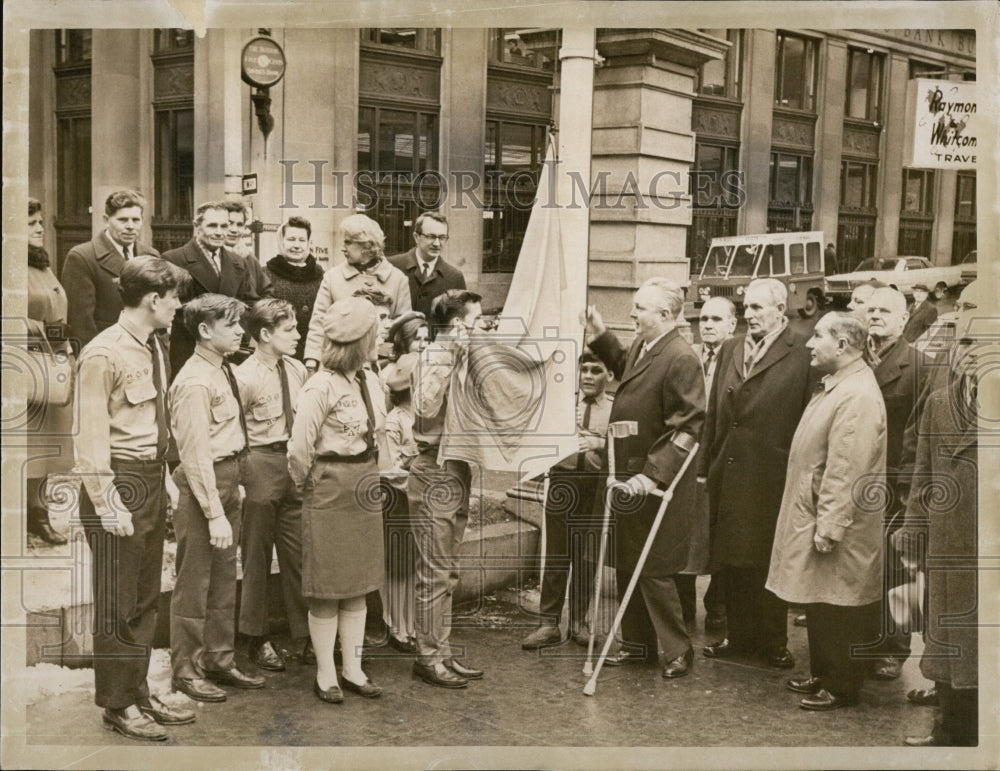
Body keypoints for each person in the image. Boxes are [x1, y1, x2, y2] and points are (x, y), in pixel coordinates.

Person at [74, 256, 195, 740]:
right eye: (174, 298)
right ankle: (118, 704)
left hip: (147, 477)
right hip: (118, 482)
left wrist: (165, 478)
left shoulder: (153, 346)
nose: (178, 306)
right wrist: (106, 502)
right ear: (153, 300)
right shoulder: (103, 354)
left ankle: (138, 690)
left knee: (145, 598)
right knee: (118, 602)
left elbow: (152, 422)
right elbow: (89, 438)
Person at [583, 277, 705, 680]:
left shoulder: (681, 358)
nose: (632, 313)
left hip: (654, 482)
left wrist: (652, 478)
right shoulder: (646, 344)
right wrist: (600, 335)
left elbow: (688, 427)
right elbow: (626, 369)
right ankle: (637, 645)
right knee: (628, 560)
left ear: (665, 314)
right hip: (628, 474)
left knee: (654, 568)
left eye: (640, 307)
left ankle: (678, 650)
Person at [767, 313, 886, 711]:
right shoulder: (841, 385)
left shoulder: (856, 395)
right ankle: (824, 673)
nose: (809, 343)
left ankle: (841, 684)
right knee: (822, 595)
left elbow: (846, 467)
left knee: (839, 601)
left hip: (837, 519)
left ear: (843, 345)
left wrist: (831, 525)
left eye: (818, 336)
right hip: (817, 510)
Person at [700, 278, 815, 670]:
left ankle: (773, 641)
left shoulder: (802, 351)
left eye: (757, 308)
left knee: (768, 559)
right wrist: (705, 467)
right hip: (729, 469)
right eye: (745, 308)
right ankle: (738, 636)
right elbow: (714, 412)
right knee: (731, 558)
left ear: (780, 310)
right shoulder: (731, 348)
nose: (749, 315)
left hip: (773, 474)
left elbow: (808, 418)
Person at [894, 281, 984, 747]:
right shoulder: (940, 401)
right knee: (946, 640)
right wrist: (912, 533)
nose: (966, 349)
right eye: (962, 339)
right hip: (947, 546)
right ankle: (948, 731)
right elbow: (923, 476)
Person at [288, 297, 387, 703]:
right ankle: (326, 673)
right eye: (375, 334)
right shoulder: (321, 386)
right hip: (329, 484)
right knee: (327, 587)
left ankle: (353, 668)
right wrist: (310, 486)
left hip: (364, 483)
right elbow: (299, 449)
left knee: (358, 584)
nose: (379, 339)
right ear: (361, 341)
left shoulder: (369, 379)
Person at [167, 294, 265, 702]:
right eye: (231, 325)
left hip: (226, 479)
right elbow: (194, 455)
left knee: (224, 579)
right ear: (205, 331)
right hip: (201, 487)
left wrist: (235, 484)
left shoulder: (222, 369)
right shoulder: (195, 381)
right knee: (195, 582)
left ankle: (219, 659)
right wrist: (213, 512)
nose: (241, 331)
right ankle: (186, 670)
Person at [408, 289, 486, 688]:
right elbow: (423, 409)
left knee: (449, 570)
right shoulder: (433, 358)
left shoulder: (458, 357)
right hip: (434, 468)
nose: (482, 328)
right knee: (434, 571)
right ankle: (427, 656)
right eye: (476, 321)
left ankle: (442, 650)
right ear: (457, 325)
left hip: (456, 466)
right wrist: (449, 357)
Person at [233, 299, 311, 672]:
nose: (298, 335)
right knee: (256, 556)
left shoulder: (297, 369)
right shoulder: (244, 377)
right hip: (260, 462)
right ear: (265, 334)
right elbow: (234, 431)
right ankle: (255, 636)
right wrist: (243, 477)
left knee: (300, 554)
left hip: (293, 463)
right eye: (289, 329)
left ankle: (305, 635)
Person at [521, 352, 612, 650]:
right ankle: (548, 624)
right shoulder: (563, 404)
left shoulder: (615, 409)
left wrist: (600, 442)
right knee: (557, 554)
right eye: (584, 370)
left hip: (594, 486)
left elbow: (627, 445)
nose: (588, 376)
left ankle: (578, 623)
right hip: (562, 481)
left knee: (586, 555)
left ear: (609, 375)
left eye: (596, 370)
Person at [861, 287, 928, 681]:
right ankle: (864, 638)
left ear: (904, 319)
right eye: (871, 309)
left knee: (898, 568)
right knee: (860, 564)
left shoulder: (919, 366)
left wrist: (908, 490)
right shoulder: (853, 359)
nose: (875, 316)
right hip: (857, 479)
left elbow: (919, 434)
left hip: (894, 484)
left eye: (884, 311)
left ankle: (895, 648)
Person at [675, 296, 737, 632]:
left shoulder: (739, 357)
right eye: (704, 319)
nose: (708, 325)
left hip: (723, 455)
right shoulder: (689, 356)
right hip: (689, 454)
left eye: (716, 319)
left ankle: (718, 605)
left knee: (720, 533)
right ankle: (684, 605)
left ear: (732, 324)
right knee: (686, 532)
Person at [162, 201, 273, 378]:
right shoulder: (174, 259)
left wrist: (234, 333)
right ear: (197, 227)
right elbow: (175, 310)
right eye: (212, 226)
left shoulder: (238, 262)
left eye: (224, 226)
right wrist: (218, 332)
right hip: (191, 351)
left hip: (230, 352)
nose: (220, 232)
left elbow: (249, 303)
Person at [24, 197, 73, 544]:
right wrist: (45, 330)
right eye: (31, 224)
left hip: (46, 367)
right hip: (21, 369)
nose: (41, 228)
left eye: (40, 222)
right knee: (22, 445)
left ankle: (37, 512)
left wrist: (62, 346)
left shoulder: (40, 263)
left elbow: (57, 311)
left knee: (44, 444)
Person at [303, 214, 411, 373]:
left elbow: (404, 329)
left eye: (348, 242)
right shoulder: (332, 277)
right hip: (337, 366)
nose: (343, 248)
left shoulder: (398, 279)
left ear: (367, 245)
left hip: (380, 368)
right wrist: (311, 362)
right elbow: (318, 323)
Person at [62, 190, 160, 350]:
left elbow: (157, 310)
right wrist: (96, 357)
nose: (130, 226)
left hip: (147, 349)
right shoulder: (82, 257)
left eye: (136, 220)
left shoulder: (151, 255)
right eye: (123, 220)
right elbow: (81, 324)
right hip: (108, 350)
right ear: (106, 220)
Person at [263, 216, 325, 361]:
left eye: (302, 240)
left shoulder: (322, 276)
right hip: (278, 355)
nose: (296, 245)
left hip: (314, 355)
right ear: (281, 241)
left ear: (309, 243)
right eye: (291, 239)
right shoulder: (265, 274)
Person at [389, 211, 467, 319]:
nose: (437, 244)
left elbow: (460, 318)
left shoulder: (455, 277)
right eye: (431, 237)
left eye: (442, 237)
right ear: (416, 237)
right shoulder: (392, 266)